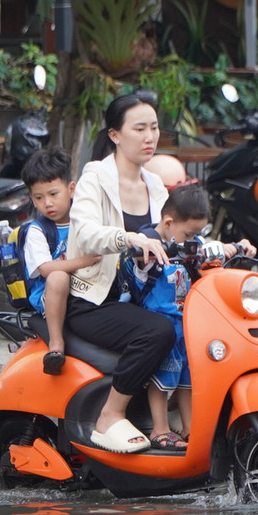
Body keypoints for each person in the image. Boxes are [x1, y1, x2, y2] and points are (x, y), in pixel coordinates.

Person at [65, 91, 176, 454]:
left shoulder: (156, 185)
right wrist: (128, 238)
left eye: (155, 128)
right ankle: (110, 415)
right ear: (115, 135)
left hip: (141, 298)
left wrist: (224, 246)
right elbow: (84, 233)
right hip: (93, 299)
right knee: (158, 331)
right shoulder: (95, 177)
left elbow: (175, 234)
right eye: (140, 128)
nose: (150, 137)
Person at [124, 184, 253, 450]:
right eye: (190, 233)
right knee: (163, 375)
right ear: (169, 222)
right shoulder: (147, 241)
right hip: (160, 321)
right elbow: (142, 259)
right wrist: (149, 251)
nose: (194, 239)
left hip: (187, 322)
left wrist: (234, 247)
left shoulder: (187, 241)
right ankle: (160, 429)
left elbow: (207, 250)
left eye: (199, 234)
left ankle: (190, 428)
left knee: (188, 377)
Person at [17, 148, 99, 375]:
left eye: (54, 194)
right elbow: (45, 268)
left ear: (71, 189)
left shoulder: (84, 221)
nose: (48, 203)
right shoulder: (37, 230)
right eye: (39, 198)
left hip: (84, 286)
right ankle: (56, 344)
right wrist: (83, 261)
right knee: (58, 276)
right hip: (48, 293)